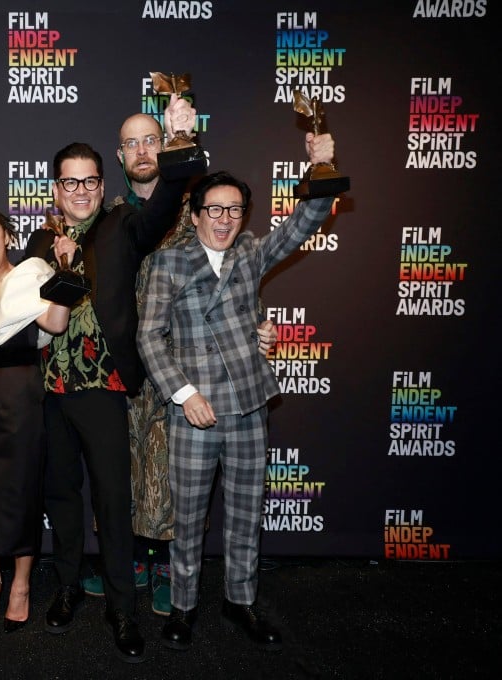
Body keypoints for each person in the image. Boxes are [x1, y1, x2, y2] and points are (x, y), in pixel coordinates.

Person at [136, 132, 338, 652]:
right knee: (189, 520)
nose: (224, 220)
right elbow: (148, 336)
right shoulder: (168, 263)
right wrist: (183, 394)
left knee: (246, 514)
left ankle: (240, 600)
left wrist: (322, 167)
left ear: (243, 216)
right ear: (196, 213)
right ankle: (183, 606)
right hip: (193, 412)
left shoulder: (250, 251)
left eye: (235, 211)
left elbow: (300, 225)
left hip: (248, 406)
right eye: (214, 210)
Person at [80, 114, 277, 618]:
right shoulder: (107, 215)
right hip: (124, 366)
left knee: (176, 480)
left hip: (185, 366)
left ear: (165, 148)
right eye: (132, 144)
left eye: (153, 140)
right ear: (120, 156)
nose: (143, 151)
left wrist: (256, 322)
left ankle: (169, 567)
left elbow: (231, 279)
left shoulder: (195, 210)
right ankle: (132, 561)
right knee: (127, 470)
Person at [23, 94, 197, 664]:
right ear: (55, 188)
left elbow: (165, 203)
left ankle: (122, 607)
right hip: (50, 389)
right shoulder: (40, 243)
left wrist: (176, 147)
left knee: (114, 503)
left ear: (102, 184)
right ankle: (69, 587)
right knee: (62, 497)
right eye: (69, 182)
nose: (79, 190)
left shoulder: (124, 223)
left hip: (104, 386)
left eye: (89, 180)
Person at [0, 194, 70, 633]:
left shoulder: (26, 282)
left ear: (7, 236)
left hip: (22, 397)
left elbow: (57, 324)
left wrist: (64, 273)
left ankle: (20, 586)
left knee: (20, 492)